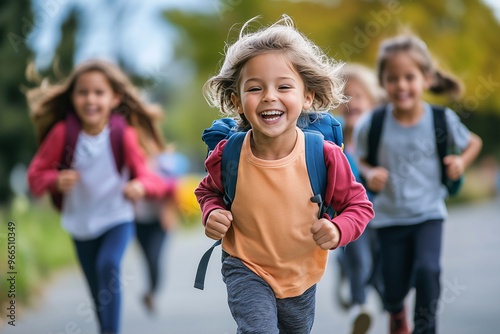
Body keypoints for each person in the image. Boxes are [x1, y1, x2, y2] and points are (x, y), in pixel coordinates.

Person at [195, 15, 374, 334]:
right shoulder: (230, 153)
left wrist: (337, 229)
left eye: (284, 86)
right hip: (244, 265)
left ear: (306, 97)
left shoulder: (324, 155)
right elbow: (207, 192)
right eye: (255, 88)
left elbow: (360, 207)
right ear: (237, 101)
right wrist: (213, 213)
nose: (269, 96)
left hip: (301, 272)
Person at [26, 59, 171, 334]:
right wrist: (55, 180)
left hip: (118, 217)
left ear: (115, 98)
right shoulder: (62, 134)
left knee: (108, 264)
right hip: (80, 223)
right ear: (73, 97)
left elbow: (152, 179)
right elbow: (34, 177)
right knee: (96, 291)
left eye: (99, 92)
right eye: (83, 92)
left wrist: (140, 186)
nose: (90, 99)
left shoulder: (122, 135)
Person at [354, 34, 482, 334]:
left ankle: (426, 328)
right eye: (392, 78)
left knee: (428, 270)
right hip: (388, 218)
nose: (401, 85)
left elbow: (472, 142)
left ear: (425, 79)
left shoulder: (442, 120)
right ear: (383, 82)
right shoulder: (373, 124)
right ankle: (396, 312)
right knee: (393, 289)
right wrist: (369, 171)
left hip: (428, 213)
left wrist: (460, 162)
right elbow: (357, 158)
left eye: (409, 77)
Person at [334, 63, 386, 334]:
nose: (350, 103)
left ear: (374, 102)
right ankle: (359, 307)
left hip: (382, 212)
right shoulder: (332, 137)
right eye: (344, 97)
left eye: (358, 96)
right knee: (360, 258)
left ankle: (378, 297)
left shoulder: (379, 137)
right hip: (348, 214)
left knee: (378, 265)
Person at [134, 144, 188, 312]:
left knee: (154, 257)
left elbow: (174, 187)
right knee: (147, 259)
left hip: (159, 221)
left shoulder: (165, 164)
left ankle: (151, 292)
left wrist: (169, 211)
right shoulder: (134, 161)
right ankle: (150, 291)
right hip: (138, 220)